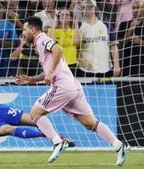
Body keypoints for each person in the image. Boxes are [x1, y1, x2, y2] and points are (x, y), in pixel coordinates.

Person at [15, 16, 130, 166]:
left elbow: (58, 49)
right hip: (72, 86)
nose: (23, 33)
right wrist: (31, 79)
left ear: (32, 29)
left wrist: (50, 74)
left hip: (62, 86)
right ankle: (119, 146)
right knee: (90, 123)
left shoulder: (41, 39)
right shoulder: (40, 45)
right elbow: (50, 68)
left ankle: (57, 142)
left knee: (35, 113)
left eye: (24, 29)